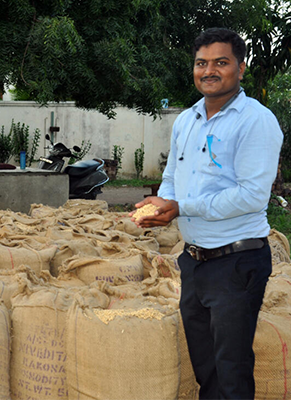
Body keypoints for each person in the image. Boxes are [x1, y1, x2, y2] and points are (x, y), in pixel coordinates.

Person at [131, 28, 283, 399]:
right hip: (194, 261)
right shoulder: (187, 119)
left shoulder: (255, 120)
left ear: (241, 68)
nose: (209, 70)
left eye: (221, 62)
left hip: (237, 261)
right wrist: (158, 205)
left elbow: (250, 196)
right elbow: (171, 177)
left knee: (230, 368)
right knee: (206, 366)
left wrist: (181, 207)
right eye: (202, 63)